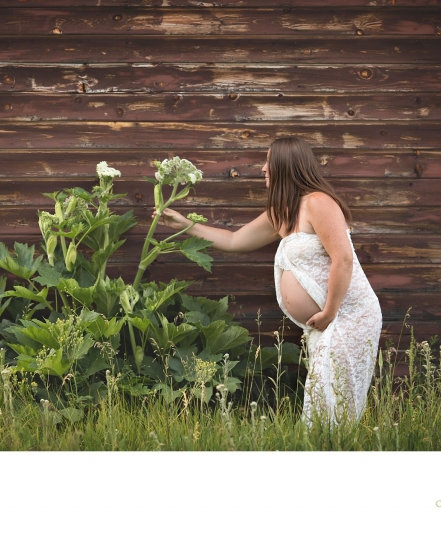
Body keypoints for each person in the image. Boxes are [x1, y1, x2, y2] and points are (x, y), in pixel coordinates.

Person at [154, 137, 382, 427]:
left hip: (349, 316)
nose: (263, 168)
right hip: (329, 318)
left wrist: (330, 311)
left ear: (286, 166)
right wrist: (185, 225)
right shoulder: (284, 211)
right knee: (325, 398)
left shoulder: (318, 203)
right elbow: (235, 240)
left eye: (268, 162)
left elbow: (344, 259)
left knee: (334, 400)